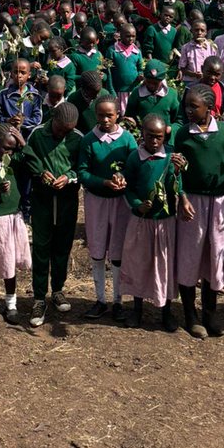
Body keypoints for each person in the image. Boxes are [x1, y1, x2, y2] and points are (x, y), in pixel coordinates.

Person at [174, 83, 224, 339]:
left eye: (194, 106)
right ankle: (190, 314)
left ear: (210, 108)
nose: (188, 110)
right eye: (186, 104)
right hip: (193, 203)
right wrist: (181, 196)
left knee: (214, 255)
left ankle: (210, 311)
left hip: (219, 203)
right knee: (189, 256)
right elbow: (176, 174)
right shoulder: (182, 135)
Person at [118, 114, 180, 331]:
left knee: (164, 266)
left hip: (165, 221)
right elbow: (129, 186)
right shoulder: (136, 157)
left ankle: (166, 311)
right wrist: (136, 204)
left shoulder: (171, 156)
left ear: (165, 136)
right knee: (139, 263)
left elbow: (177, 185)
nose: (154, 141)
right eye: (150, 136)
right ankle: (136, 310)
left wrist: (180, 172)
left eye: (159, 137)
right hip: (142, 220)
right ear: (141, 134)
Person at [23, 101, 83, 327]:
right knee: (41, 248)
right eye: (60, 129)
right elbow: (27, 160)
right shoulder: (38, 135)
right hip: (43, 201)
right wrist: (40, 174)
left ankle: (57, 289)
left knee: (63, 247)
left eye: (68, 130)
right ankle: (39, 298)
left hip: (67, 201)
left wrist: (68, 176)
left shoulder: (77, 137)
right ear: (53, 119)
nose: (63, 133)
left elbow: (82, 166)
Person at [78, 97, 137, 321]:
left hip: (120, 202)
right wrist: (103, 182)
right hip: (97, 200)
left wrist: (123, 177)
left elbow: (133, 166)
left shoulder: (127, 140)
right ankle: (100, 299)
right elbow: (82, 172)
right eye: (100, 115)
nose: (105, 120)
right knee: (97, 249)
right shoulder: (89, 140)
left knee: (118, 251)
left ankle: (118, 300)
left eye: (109, 115)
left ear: (118, 114)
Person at [0, 124, 30, 325]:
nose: (9, 152)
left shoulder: (13, 161)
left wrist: (22, 142)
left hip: (13, 218)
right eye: (5, 148)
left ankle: (11, 303)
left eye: (12, 148)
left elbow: (33, 161)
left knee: (11, 262)